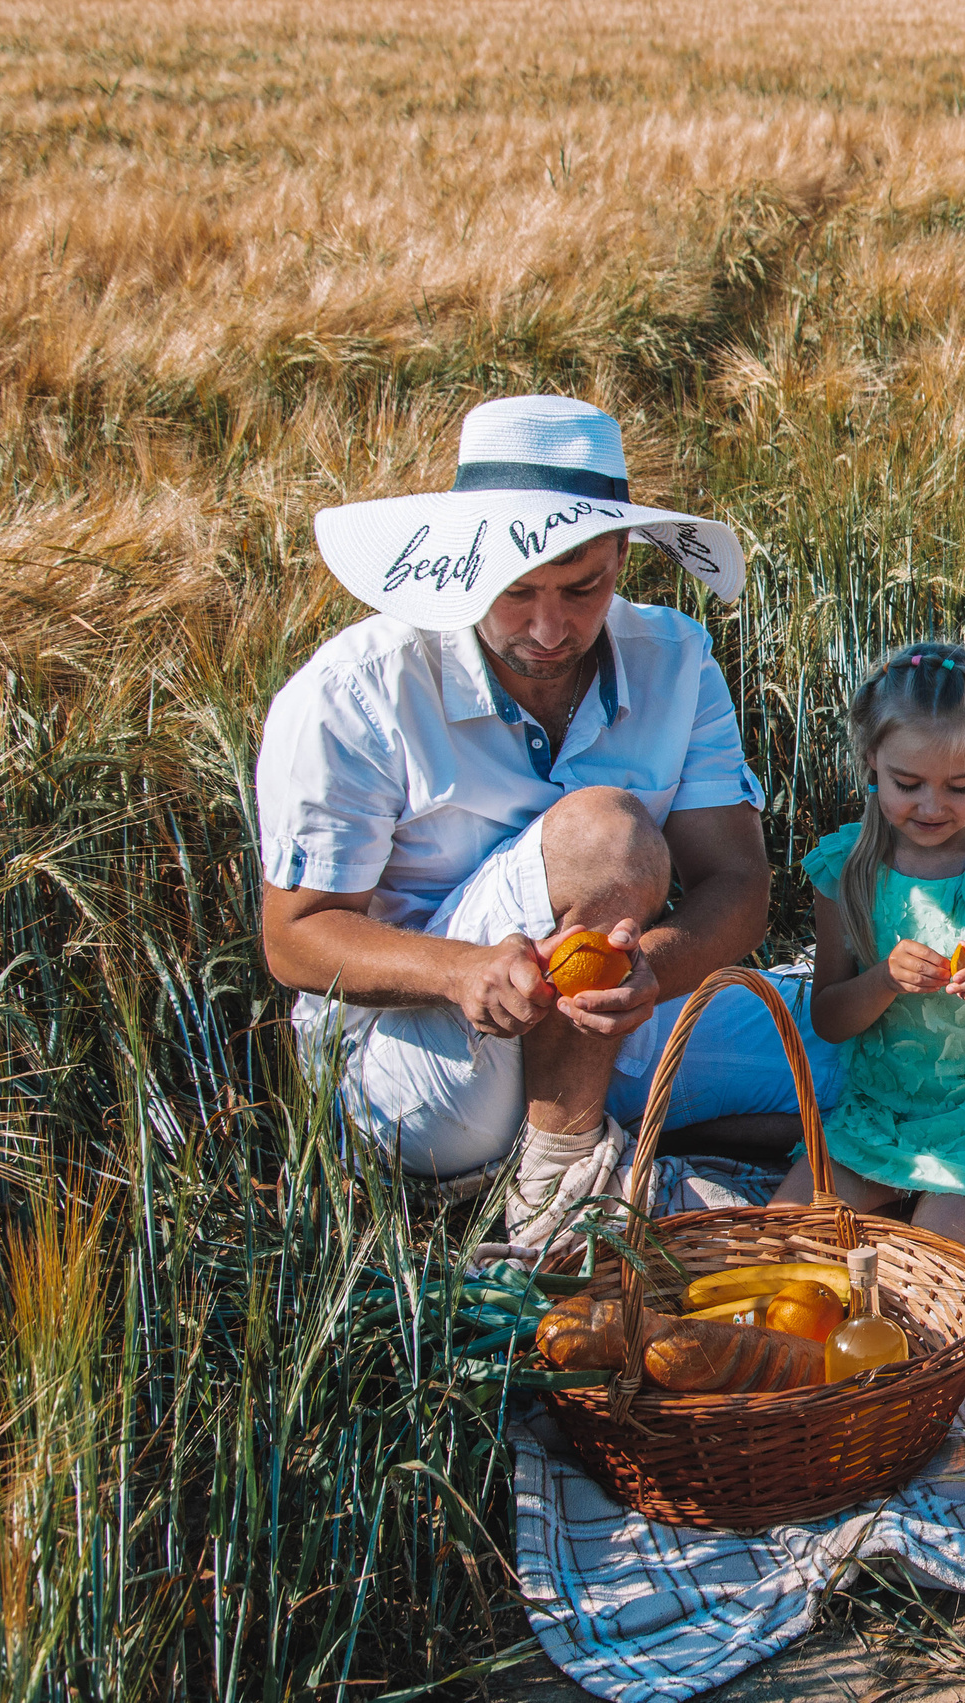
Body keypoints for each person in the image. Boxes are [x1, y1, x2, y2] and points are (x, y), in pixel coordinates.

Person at [256, 395, 841, 1249]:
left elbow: (739, 885)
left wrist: (656, 971)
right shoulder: (357, 690)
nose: (548, 627)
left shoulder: (676, 658)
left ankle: (620, 1137)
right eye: (516, 590)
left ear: (622, 556)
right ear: (463, 567)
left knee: (876, 1058)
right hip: (419, 1065)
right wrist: (460, 973)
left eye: (582, 587)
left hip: (615, 1023)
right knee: (606, 833)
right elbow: (295, 938)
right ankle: (561, 1188)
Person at [774, 642, 965, 1257]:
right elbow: (829, 1021)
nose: (934, 806)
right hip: (885, 1116)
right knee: (786, 1233)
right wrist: (882, 979)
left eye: (962, 785)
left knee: (931, 1263)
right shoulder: (846, 872)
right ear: (870, 762)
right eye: (907, 784)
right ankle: (930, 1198)